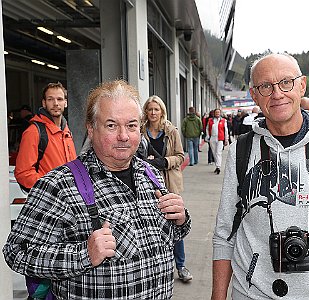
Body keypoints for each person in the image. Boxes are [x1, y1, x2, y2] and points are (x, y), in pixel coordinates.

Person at [3, 80, 191, 299]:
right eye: (111, 125)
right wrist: (84, 254)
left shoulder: (151, 175)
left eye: (131, 125)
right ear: (91, 129)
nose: (123, 135)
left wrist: (181, 221)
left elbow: (165, 236)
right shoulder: (58, 185)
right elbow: (17, 252)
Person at [212, 53, 309, 300]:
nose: (277, 94)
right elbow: (225, 233)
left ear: (302, 85)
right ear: (254, 95)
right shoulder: (240, 151)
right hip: (253, 294)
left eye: (286, 82)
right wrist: (217, 296)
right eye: (265, 86)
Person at [139, 95, 193, 282]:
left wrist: (163, 162)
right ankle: (155, 267)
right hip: (145, 184)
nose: (153, 113)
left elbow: (180, 155)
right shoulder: (140, 131)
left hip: (168, 183)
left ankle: (181, 266)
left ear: (162, 111)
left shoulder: (171, 131)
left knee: (174, 223)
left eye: (157, 109)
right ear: (145, 111)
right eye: (150, 109)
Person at [15, 82, 77, 190]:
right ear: (44, 103)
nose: (55, 103)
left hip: (68, 198)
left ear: (65, 103)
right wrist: (52, 188)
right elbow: (23, 173)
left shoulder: (66, 131)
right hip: (48, 200)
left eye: (60, 99)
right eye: (50, 99)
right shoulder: (34, 132)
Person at [206, 108, 228, 175]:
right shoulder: (210, 120)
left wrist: (226, 139)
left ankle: (218, 167)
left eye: (218, 112)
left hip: (220, 138)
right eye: (216, 112)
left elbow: (226, 131)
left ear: (220, 113)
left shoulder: (223, 120)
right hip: (212, 138)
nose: (217, 114)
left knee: (218, 152)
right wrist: (207, 136)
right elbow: (207, 129)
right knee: (214, 153)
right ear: (214, 113)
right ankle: (217, 165)